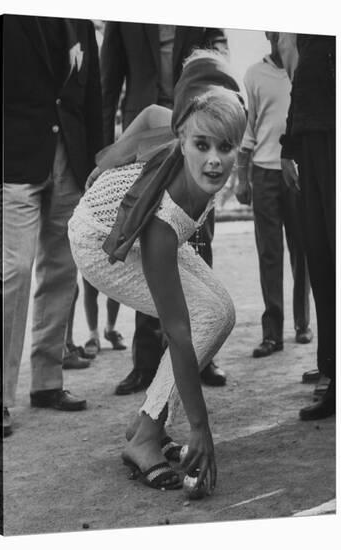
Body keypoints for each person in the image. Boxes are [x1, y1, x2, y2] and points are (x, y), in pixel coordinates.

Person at [69, 50, 247, 492]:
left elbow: (149, 111)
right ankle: (145, 437)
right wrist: (200, 426)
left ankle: (145, 422)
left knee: (221, 312)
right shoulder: (164, 219)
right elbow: (177, 331)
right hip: (99, 243)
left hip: (139, 228)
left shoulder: (194, 120)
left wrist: (109, 159)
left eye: (225, 148)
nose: (213, 160)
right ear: (183, 136)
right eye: (201, 145)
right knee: (201, 319)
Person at [0, 15, 103, 436]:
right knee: (13, 271)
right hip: (14, 160)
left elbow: (92, 97)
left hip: (70, 162)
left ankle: (48, 382)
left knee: (61, 271)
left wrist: (96, 165)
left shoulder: (82, 22)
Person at [100, 21, 230, 395]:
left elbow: (219, 56)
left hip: (197, 129)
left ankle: (202, 355)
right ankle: (145, 362)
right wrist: (111, 153)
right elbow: (110, 84)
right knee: (145, 241)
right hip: (146, 135)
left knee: (198, 242)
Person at [235, 31, 312, 358]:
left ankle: (303, 324)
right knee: (269, 253)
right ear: (267, 33)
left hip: (296, 171)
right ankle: (272, 334)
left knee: (303, 251)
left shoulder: (305, 68)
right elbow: (248, 127)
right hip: (264, 173)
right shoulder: (254, 74)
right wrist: (242, 177)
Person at [279, 34, 335, 420]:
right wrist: (288, 147)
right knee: (320, 257)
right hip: (310, 139)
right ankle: (333, 375)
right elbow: (303, 78)